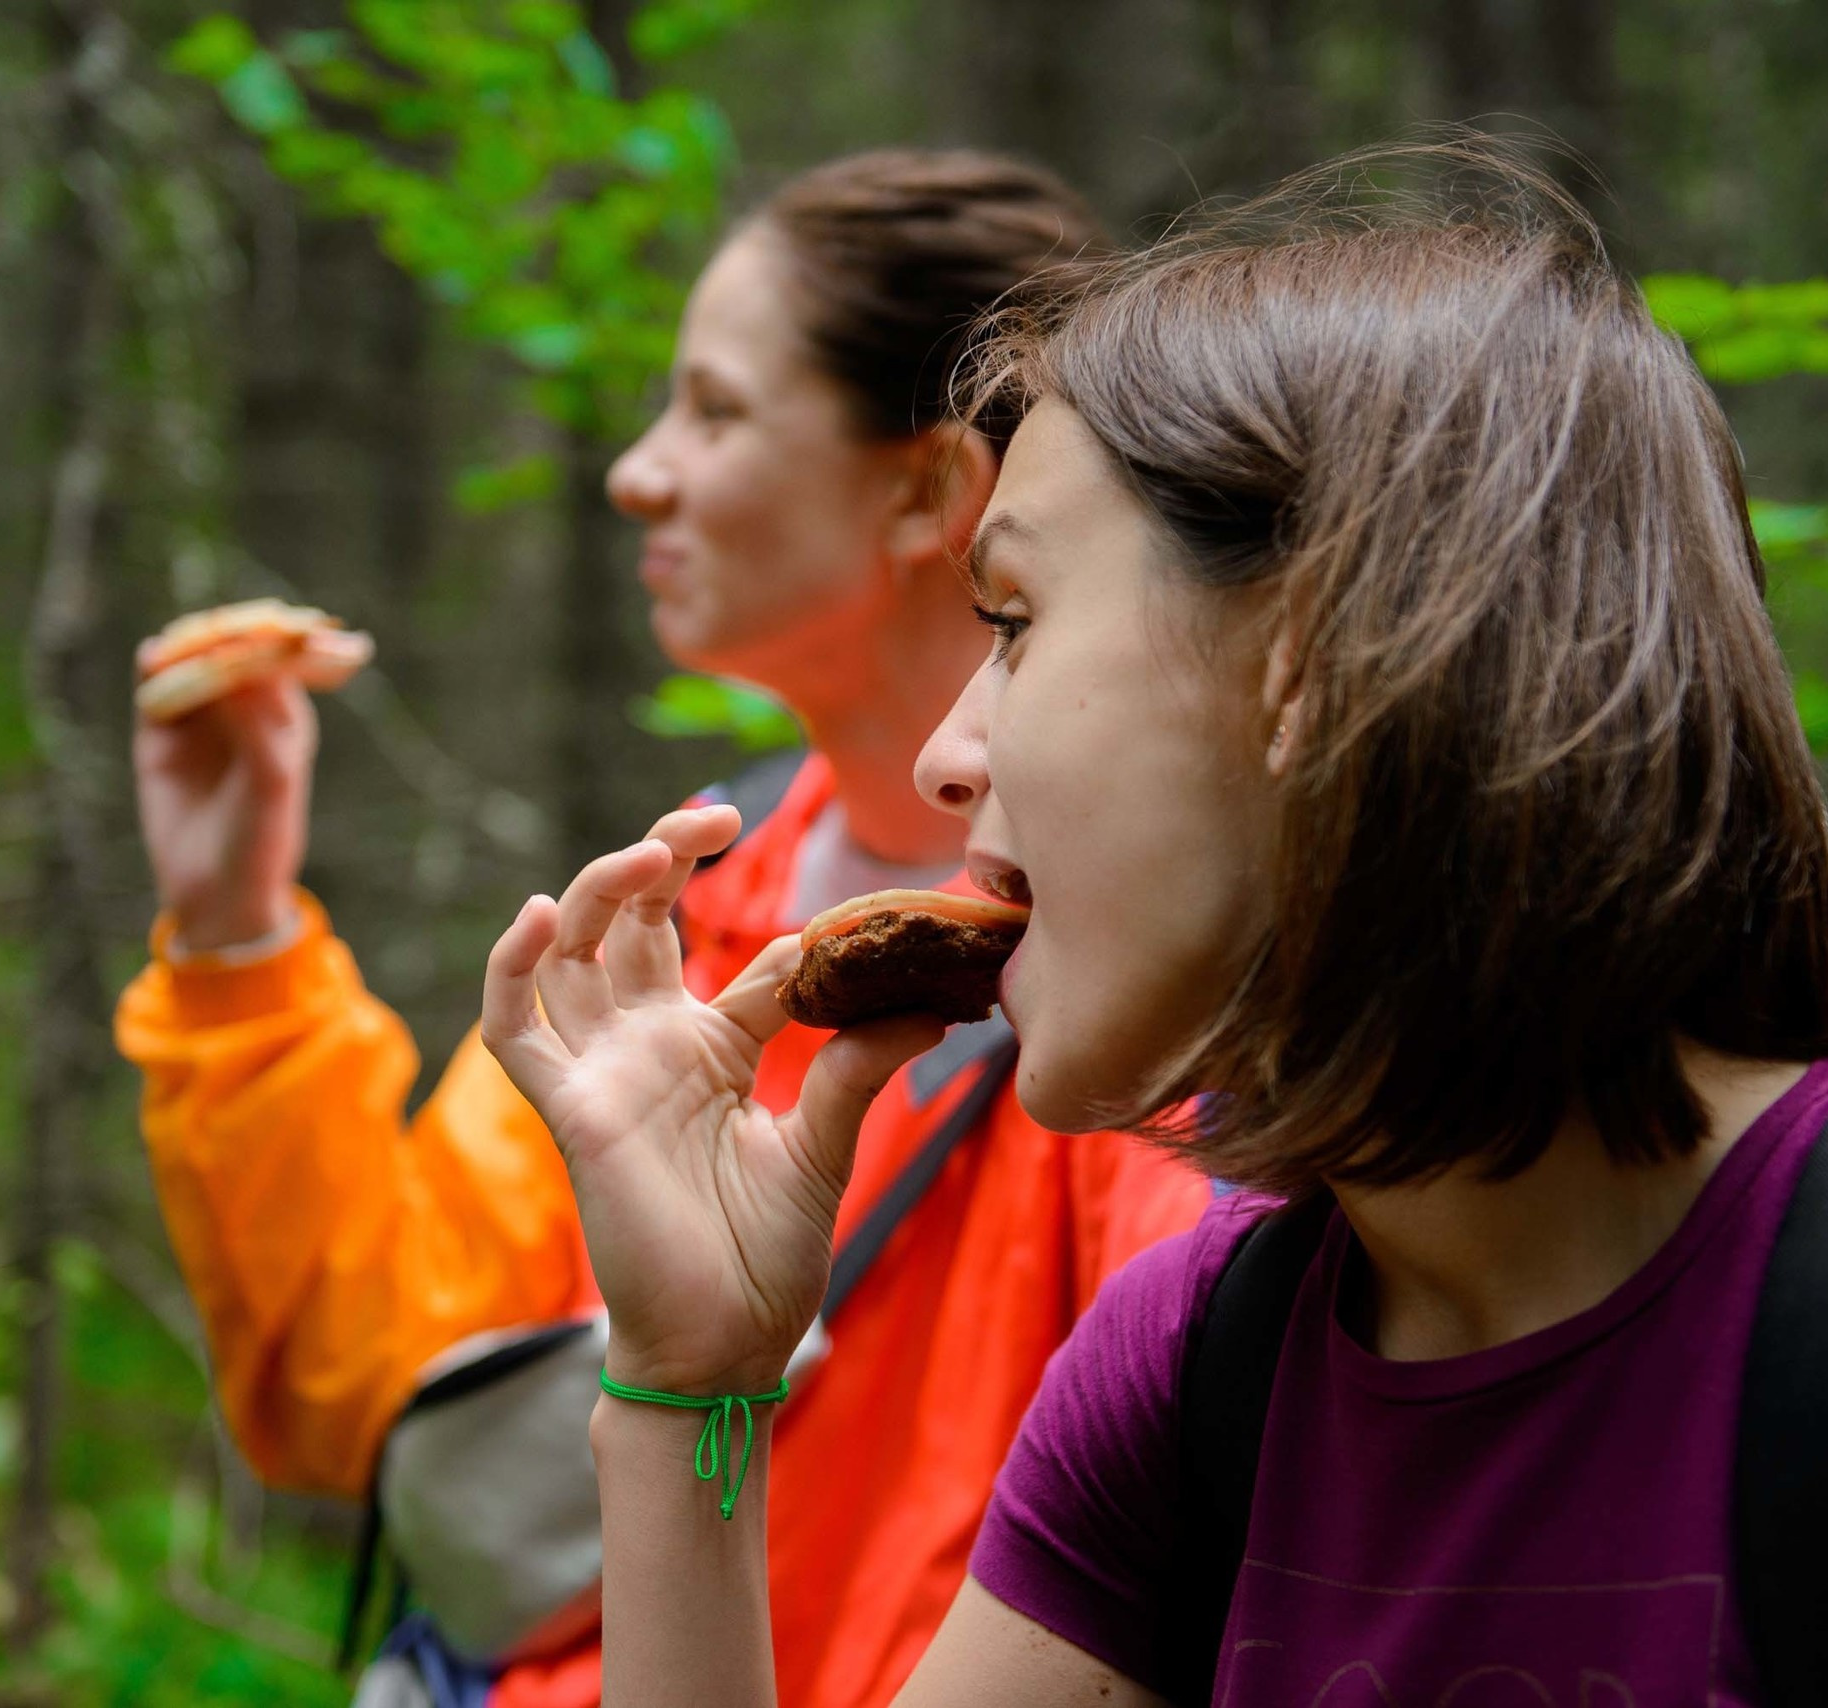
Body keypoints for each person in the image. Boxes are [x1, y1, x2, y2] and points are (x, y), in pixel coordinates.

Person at [478, 141, 1828, 1706]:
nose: (946, 755)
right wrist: (691, 1383)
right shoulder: (1198, 1373)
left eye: (1018, 622)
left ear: (1322, 658)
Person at [115, 150, 1214, 1708]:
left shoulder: (1146, 967)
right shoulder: (689, 904)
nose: (636, 471)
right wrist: (233, 936)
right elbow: (361, 1389)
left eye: (713, 412)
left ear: (926, 489)